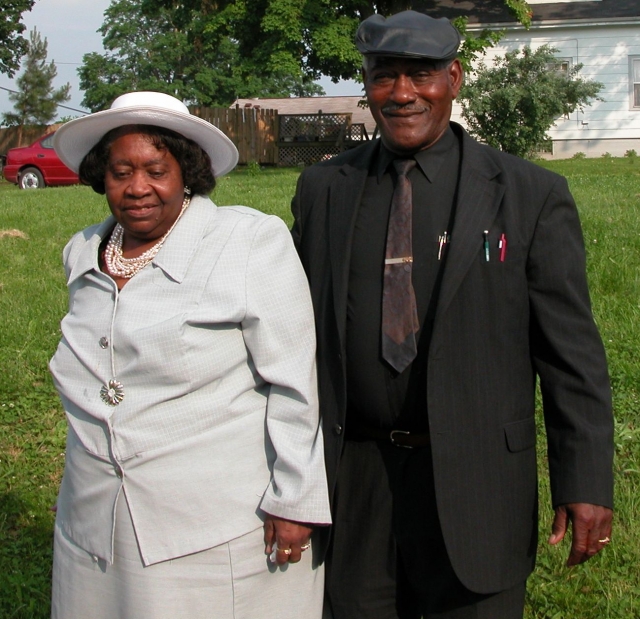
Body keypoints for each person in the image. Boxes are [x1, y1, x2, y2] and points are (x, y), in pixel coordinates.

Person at [291, 11, 613, 619]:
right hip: (354, 482)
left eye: (422, 75)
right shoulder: (323, 189)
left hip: (477, 484)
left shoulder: (529, 194)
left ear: (455, 79)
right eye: (385, 76)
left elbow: (571, 354)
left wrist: (586, 479)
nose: (403, 93)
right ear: (367, 85)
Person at [49, 91, 331, 618]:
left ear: (188, 172)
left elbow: (294, 382)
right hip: (94, 526)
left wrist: (295, 500)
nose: (137, 188)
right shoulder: (83, 252)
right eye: (120, 172)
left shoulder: (247, 242)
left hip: (212, 527)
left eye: (156, 170)